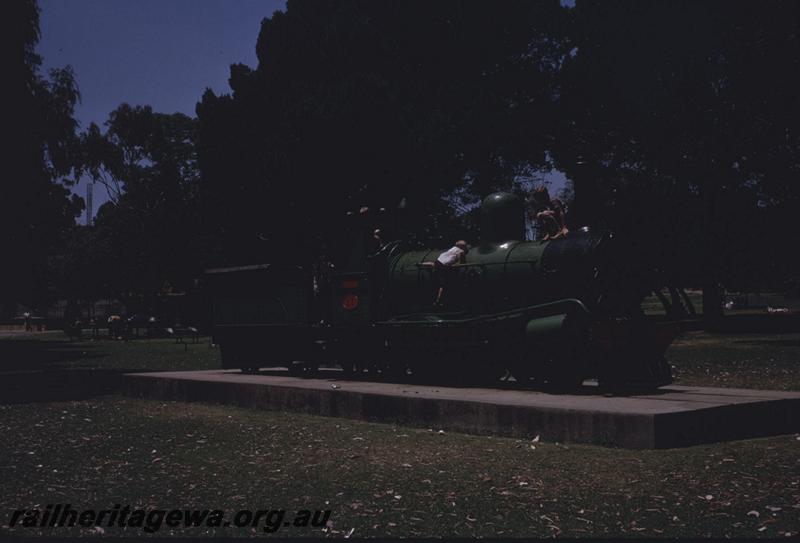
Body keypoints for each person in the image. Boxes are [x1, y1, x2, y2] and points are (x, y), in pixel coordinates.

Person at [431, 240, 469, 306]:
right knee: (445, 284)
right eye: (465, 246)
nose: (466, 247)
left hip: (438, 262)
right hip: (444, 267)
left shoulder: (453, 249)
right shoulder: (461, 251)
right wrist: (465, 268)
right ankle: (440, 301)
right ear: (463, 247)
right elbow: (460, 263)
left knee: (442, 284)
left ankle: (438, 300)